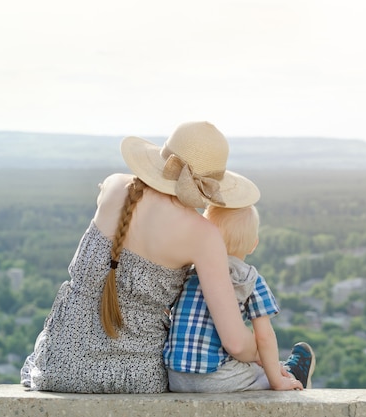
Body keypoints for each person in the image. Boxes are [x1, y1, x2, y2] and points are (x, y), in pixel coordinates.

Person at [20, 121, 263, 393]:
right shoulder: (204, 235)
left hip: (60, 365)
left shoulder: (114, 186)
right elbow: (237, 344)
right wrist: (261, 350)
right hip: (137, 378)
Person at [164, 204, 316, 392]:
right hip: (216, 378)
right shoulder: (250, 279)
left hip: (176, 378)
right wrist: (276, 380)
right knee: (265, 371)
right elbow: (264, 337)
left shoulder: (189, 274)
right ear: (254, 244)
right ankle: (292, 375)